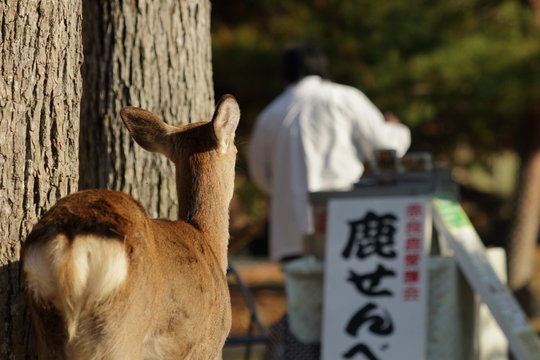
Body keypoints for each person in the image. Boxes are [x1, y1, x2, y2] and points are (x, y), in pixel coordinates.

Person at [248, 42, 411, 263]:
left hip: (292, 231)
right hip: (347, 224)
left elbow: (259, 174)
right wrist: (396, 129)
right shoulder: (345, 98)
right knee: (347, 294)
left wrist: (286, 192)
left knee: (303, 296)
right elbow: (383, 146)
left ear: (285, 74)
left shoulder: (270, 114)